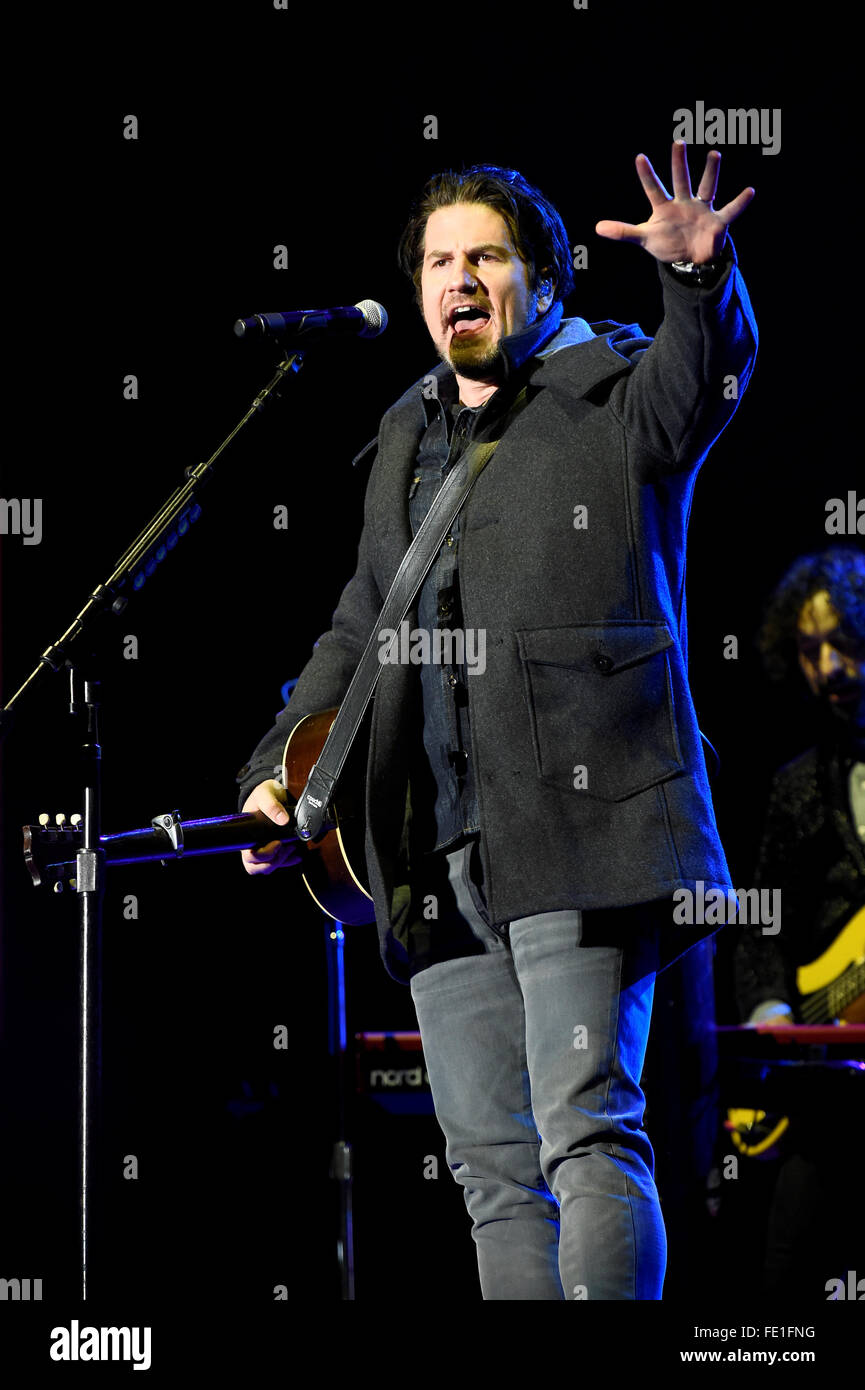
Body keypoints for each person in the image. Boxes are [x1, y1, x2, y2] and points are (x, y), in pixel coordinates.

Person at [235, 143, 758, 1300]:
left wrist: (696, 279)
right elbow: (358, 626)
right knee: (490, 1167)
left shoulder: (615, 392)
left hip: (585, 830)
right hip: (431, 846)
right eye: (436, 259)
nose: (455, 276)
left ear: (546, 277)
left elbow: (706, 372)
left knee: (586, 1132)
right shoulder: (405, 438)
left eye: (482, 255)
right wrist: (279, 766)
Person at [732, 547, 865, 1298]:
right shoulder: (793, 784)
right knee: (789, 1267)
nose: (827, 668)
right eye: (809, 651)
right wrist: (773, 1013)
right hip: (825, 1077)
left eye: (841, 641)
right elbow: (759, 924)